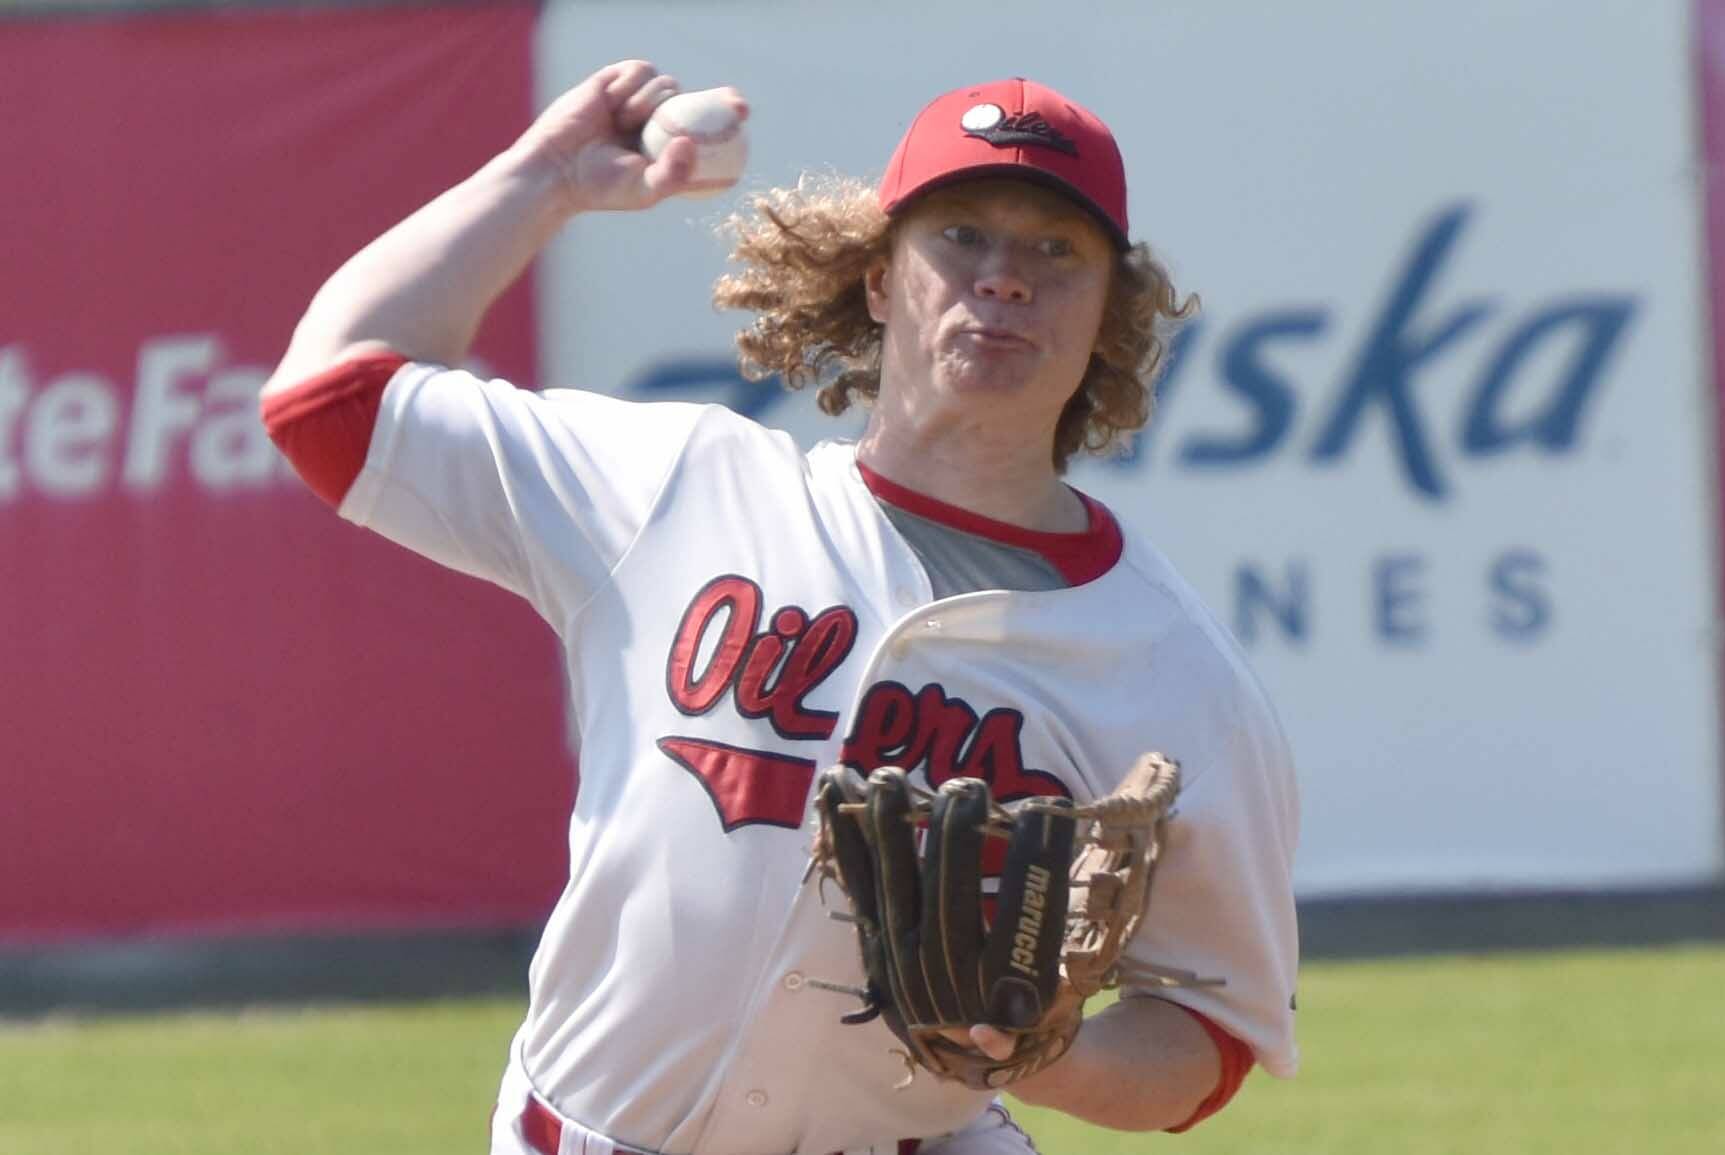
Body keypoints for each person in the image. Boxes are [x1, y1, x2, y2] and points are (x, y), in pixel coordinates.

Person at [260, 61, 1299, 1155]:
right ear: (880, 280)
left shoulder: (1169, 665)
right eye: (959, 237)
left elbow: (1210, 1033)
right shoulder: (682, 486)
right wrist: (542, 181)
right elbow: (333, 403)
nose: (1002, 280)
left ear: (1108, 316)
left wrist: (1057, 1053)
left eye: (1056, 251)